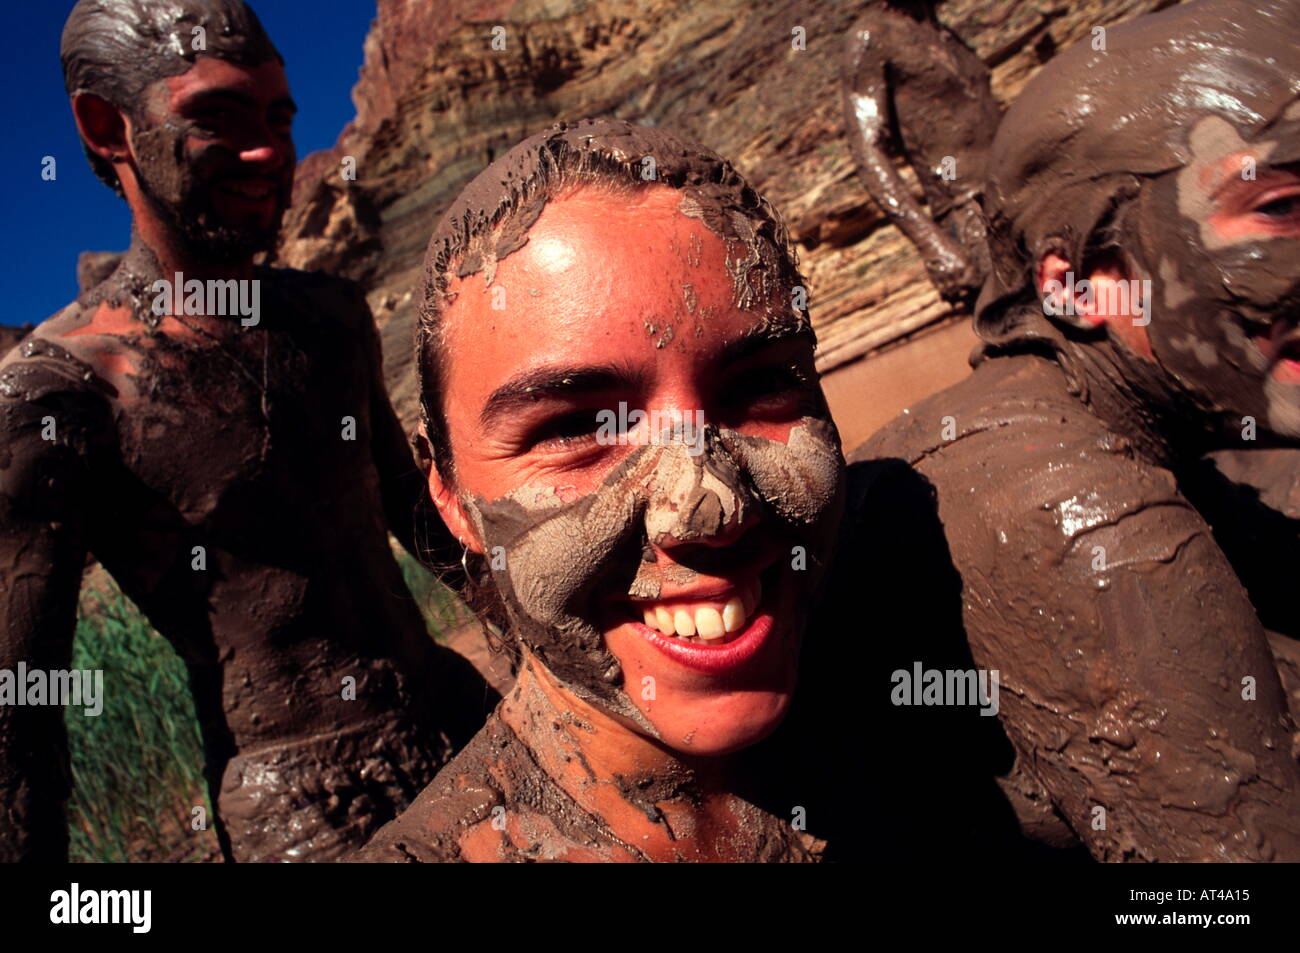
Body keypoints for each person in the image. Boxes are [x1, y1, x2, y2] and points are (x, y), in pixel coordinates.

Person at [0, 0, 492, 863]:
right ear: (105, 127)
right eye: (216, 116)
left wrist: (565, 668)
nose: (269, 150)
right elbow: (20, 723)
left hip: (466, 725)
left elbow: (432, 531)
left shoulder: (329, 318)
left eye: (278, 115)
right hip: (307, 821)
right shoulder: (60, 395)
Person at [852, 0, 1300, 860]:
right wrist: (928, 238)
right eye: (1279, 208)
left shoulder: (1163, 446)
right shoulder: (1064, 507)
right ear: (1084, 283)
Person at [353, 118, 848, 862]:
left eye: (761, 385)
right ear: (452, 496)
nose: (711, 506)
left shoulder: (917, 694)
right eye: (577, 427)